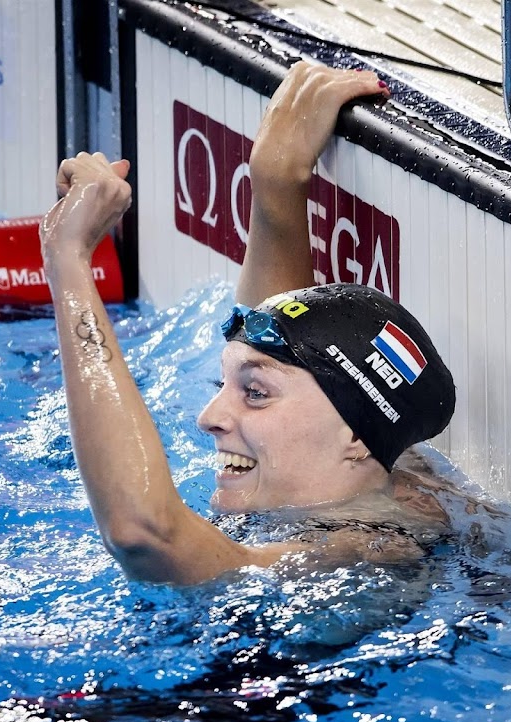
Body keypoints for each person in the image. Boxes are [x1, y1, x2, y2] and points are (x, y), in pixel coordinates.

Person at [39, 63, 458, 586]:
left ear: (354, 435)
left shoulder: (364, 551)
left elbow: (145, 536)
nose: (208, 418)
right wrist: (277, 178)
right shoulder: (374, 455)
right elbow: (305, 363)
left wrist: (69, 261)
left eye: (254, 394)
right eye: (227, 384)